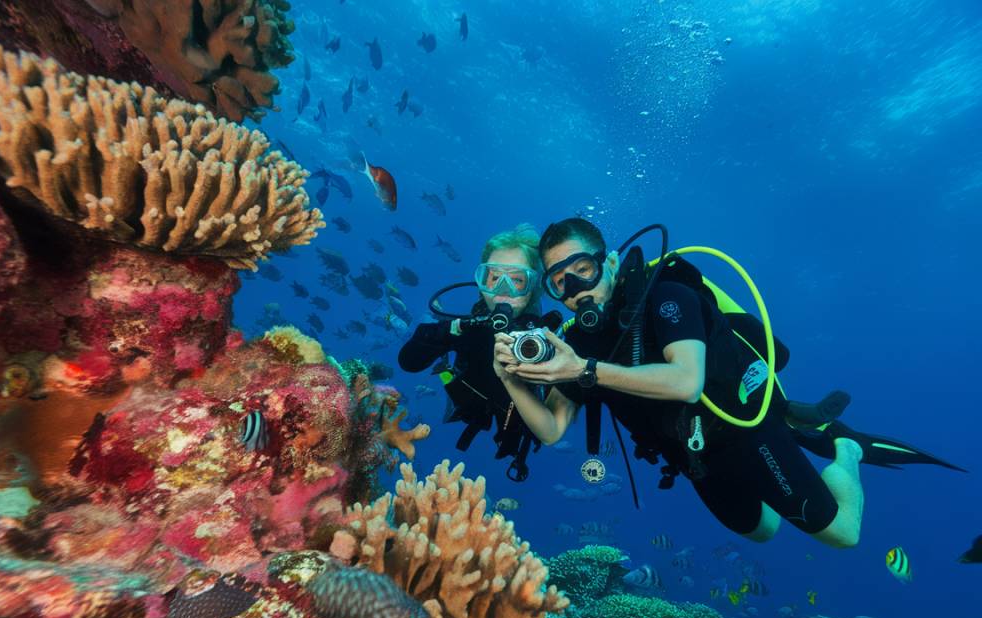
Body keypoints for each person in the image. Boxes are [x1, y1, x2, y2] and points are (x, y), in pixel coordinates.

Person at [493, 217, 962, 547]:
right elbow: (553, 431)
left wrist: (584, 370)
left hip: (743, 431)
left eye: (583, 271)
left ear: (610, 263)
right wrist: (510, 379)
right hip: (692, 457)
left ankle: (846, 453)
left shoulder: (668, 297)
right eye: (559, 282)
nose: (575, 289)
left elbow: (687, 382)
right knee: (761, 531)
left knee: (843, 535)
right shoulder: (578, 344)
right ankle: (788, 471)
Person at [399, 224, 560, 481]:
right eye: (495, 278)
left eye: (517, 280)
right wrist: (442, 332)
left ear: (533, 288)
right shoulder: (465, 328)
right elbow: (408, 362)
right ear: (482, 283)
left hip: (517, 428)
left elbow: (555, 421)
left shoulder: (545, 339)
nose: (504, 290)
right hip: (470, 412)